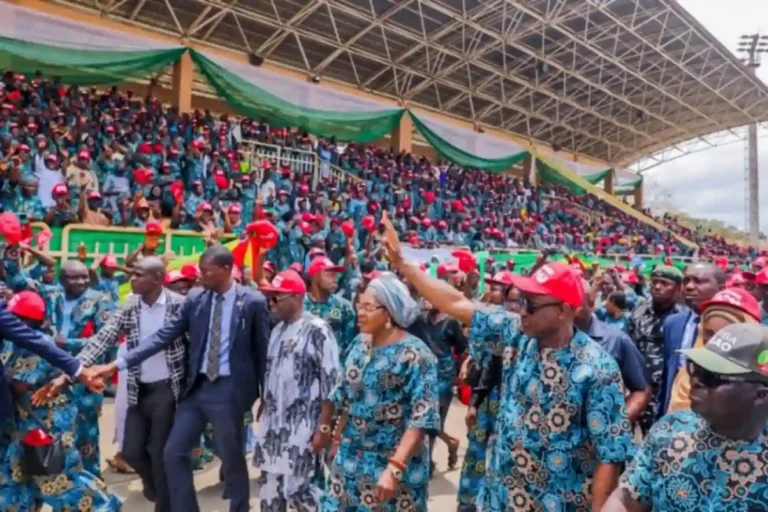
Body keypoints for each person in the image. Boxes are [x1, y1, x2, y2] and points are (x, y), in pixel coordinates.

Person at [379, 211, 634, 510]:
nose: (522, 310)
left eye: (532, 304)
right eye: (522, 301)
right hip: (499, 499)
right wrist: (402, 263)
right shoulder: (516, 334)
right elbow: (457, 303)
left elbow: (609, 456)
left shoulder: (597, 370)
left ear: (564, 311)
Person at [89, 244, 269, 512]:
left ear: (226, 269)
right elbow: (163, 336)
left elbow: (262, 350)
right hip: (196, 390)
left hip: (230, 391)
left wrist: (265, 394)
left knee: (232, 458)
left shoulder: (252, 302)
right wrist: (117, 364)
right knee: (173, 453)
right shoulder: (195, 300)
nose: (201, 276)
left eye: (207, 272)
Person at [35, 257, 186, 512]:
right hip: (139, 388)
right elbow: (102, 339)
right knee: (131, 451)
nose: (132, 278)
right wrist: (68, 374)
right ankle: (157, 488)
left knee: (160, 452)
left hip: (168, 389)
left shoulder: (180, 306)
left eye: (138, 274)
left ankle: (165, 502)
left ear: (158, 279)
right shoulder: (131, 304)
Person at [605, 323, 768, 512]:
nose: (696, 380)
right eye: (695, 368)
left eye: (711, 377)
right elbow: (626, 500)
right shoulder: (671, 429)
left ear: (760, 395)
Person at [313, 272, 440, 511]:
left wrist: (395, 468)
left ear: (389, 312)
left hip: (392, 470)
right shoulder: (359, 344)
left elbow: (422, 417)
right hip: (350, 463)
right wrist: (326, 429)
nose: (360, 312)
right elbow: (341, 393)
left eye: (368, 307)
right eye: (359, 305)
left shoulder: (416, 355)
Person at [0, 291, 122, 511]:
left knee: (58, 476)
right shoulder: (17, 342)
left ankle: (103, 506)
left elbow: (20, 384)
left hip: (46, 423)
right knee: (17, 477)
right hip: (25, 423)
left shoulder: (34, 344)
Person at [255, 270, 340, 511]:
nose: (270, 303)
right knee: (270, 496)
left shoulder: (318, 330)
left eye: (276, 298)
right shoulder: (277, 331)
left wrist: (324, 428)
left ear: (296, 297)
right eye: (269, 298)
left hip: (302, 430)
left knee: (300, 494)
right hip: (274, 430)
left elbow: (331, 383)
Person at [667, 287, 761, 413]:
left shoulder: (759, 380)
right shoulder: (688, 375)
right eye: (709, 333)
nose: (715, 342)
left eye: (727, 335)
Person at [575, 280, 652, 424]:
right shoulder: (540, 340)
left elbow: (642, 389)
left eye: (572, 302)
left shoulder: (616, 340)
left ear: (590, 304)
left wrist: (617, 426)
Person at [659, 262, 725, 416]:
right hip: (675, 417)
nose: (688, 287)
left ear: (721, 289)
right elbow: (669, 374)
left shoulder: (733, 327)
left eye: (698, 281)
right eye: (686, 280)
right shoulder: (672, 323)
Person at [627, 265, 683, 433]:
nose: (657, 287)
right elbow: (629, 352)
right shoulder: (639, 313)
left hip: (671, 391)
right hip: (642, 388)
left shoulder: (684, 317)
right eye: (655, 282)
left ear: (678, 288)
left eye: (665, 283)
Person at [303, 256, 357, 361]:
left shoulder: (344, 306)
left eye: (335, 275)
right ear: (315, 277)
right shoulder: (300, 305)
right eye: (329, 275)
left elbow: (351, 344)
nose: (335, 280)